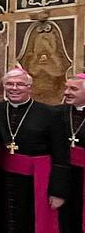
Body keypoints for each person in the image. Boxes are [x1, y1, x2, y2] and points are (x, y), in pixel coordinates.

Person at [0, 68, 67, 233]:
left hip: (35, 180)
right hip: (2, 177)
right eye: (10, 84)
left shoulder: (50, 114)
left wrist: (58, 191)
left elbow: (61, 155)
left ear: (29, 87)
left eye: (20, 84)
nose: (14, 88)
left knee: (30, 221)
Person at [61, 73, 85, 232]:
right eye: (66, 88)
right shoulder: (58, 112)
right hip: (64, 173)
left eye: (73, 89)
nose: (66, 92)